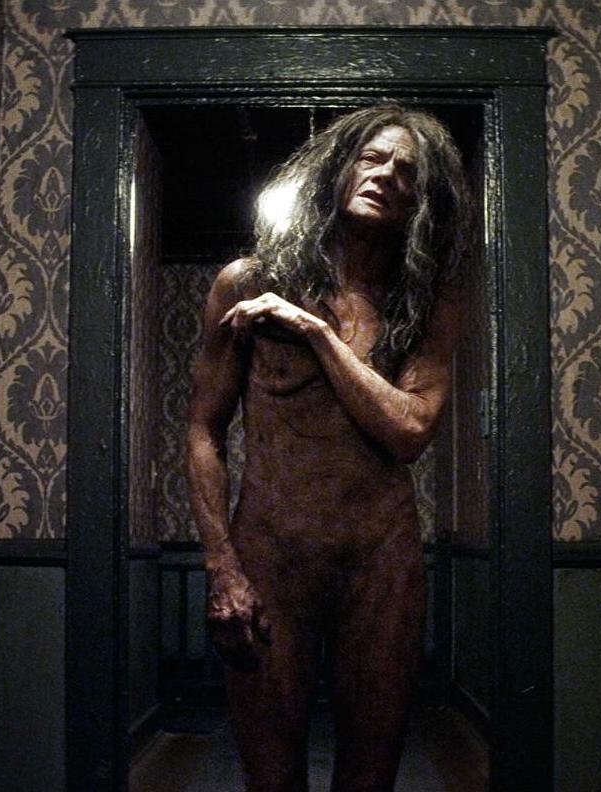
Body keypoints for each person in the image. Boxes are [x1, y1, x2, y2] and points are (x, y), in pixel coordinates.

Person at [183, 104, 471, 791]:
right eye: (373, 158)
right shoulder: (247, 283)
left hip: (382, 563)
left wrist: (316, 333)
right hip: (270, 556)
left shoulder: (427, 302)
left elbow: (410, 431)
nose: (388, 176)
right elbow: (202, 431)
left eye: (409, 171)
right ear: (338, 169)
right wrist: (222, 568)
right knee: (271, 779)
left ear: (423, 202)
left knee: (369, 779)